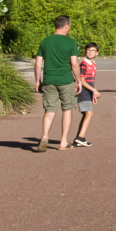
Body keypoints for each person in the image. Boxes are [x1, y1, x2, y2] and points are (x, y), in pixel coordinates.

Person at [35, 15, 82, 152]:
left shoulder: (45, 41)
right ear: (67, 26)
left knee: (49, 110)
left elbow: (38, 62)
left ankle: (44, 135)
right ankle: (63, 142)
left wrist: (38, 81)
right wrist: (78, 80)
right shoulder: (70, 42)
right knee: (67, 109)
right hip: (66, 80)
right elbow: (74, 63)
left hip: (49, 80)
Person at [73, 43, 101, 148]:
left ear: (97, 53)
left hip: (88, 92)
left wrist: (93, 93)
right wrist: (94, 90)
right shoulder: (84, 64)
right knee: (89, 114)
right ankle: (80, 137)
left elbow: (91, 81)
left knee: (86, 114)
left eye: (93, 50)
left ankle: (80, 138)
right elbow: (82, 80)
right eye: (88, 50)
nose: (90, 52)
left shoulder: (93, 64)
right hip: (83, 92)